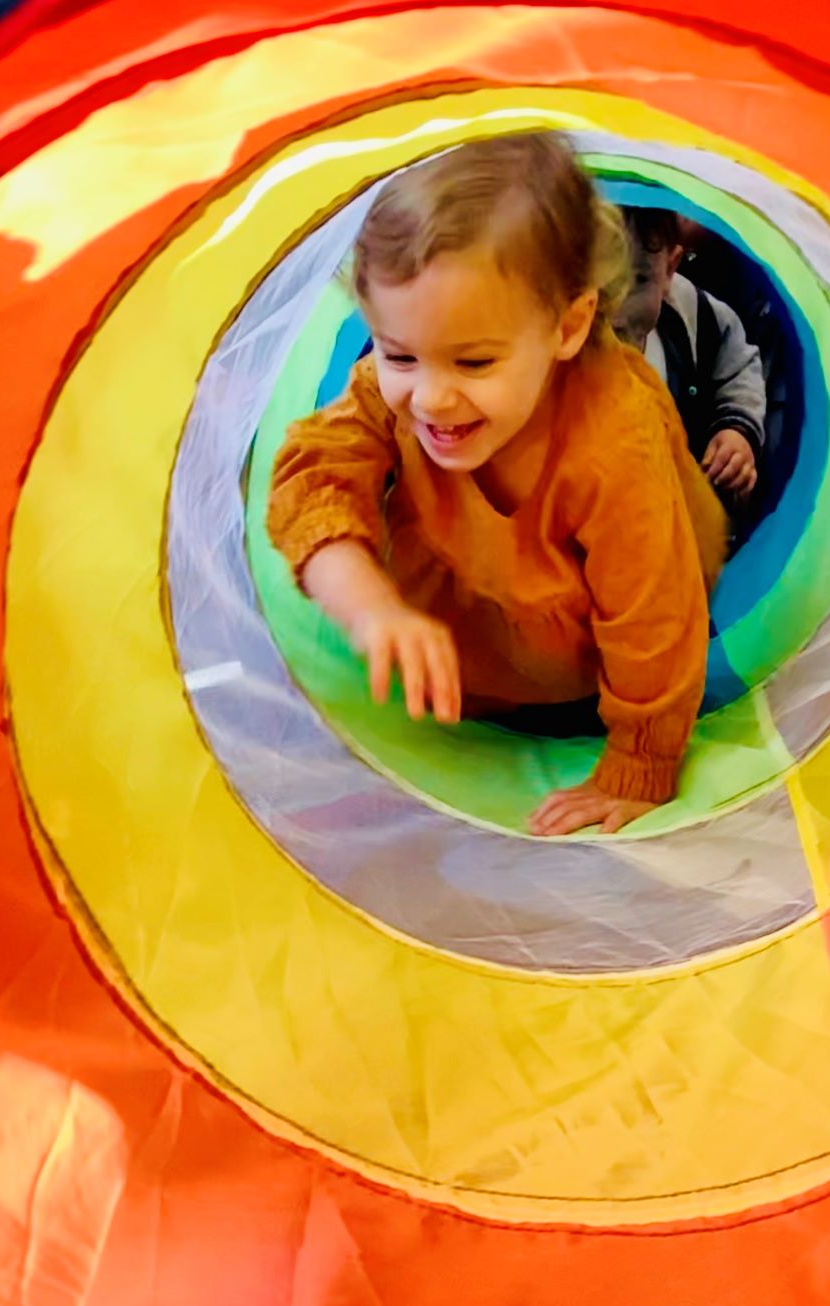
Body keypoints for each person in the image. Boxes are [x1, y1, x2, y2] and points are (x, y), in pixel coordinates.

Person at [266, 133, 726, 837]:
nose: (431, 399)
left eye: (474, 363)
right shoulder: (398, 386)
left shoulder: (611, 440)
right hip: (470, 625)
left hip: (585, 638)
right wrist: (371, 610)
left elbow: (654, 614)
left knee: (649, 592)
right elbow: (312, 478)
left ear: (567, 327)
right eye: (399, 353)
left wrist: (641, 763)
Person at [613, 206, 767, 535]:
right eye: (598, 280)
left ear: (670, 266)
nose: (617, 310)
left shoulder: (697, 314)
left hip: (679, 519)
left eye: (639, 280)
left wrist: (736, 431)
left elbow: (738, 365)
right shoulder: (551, 331)